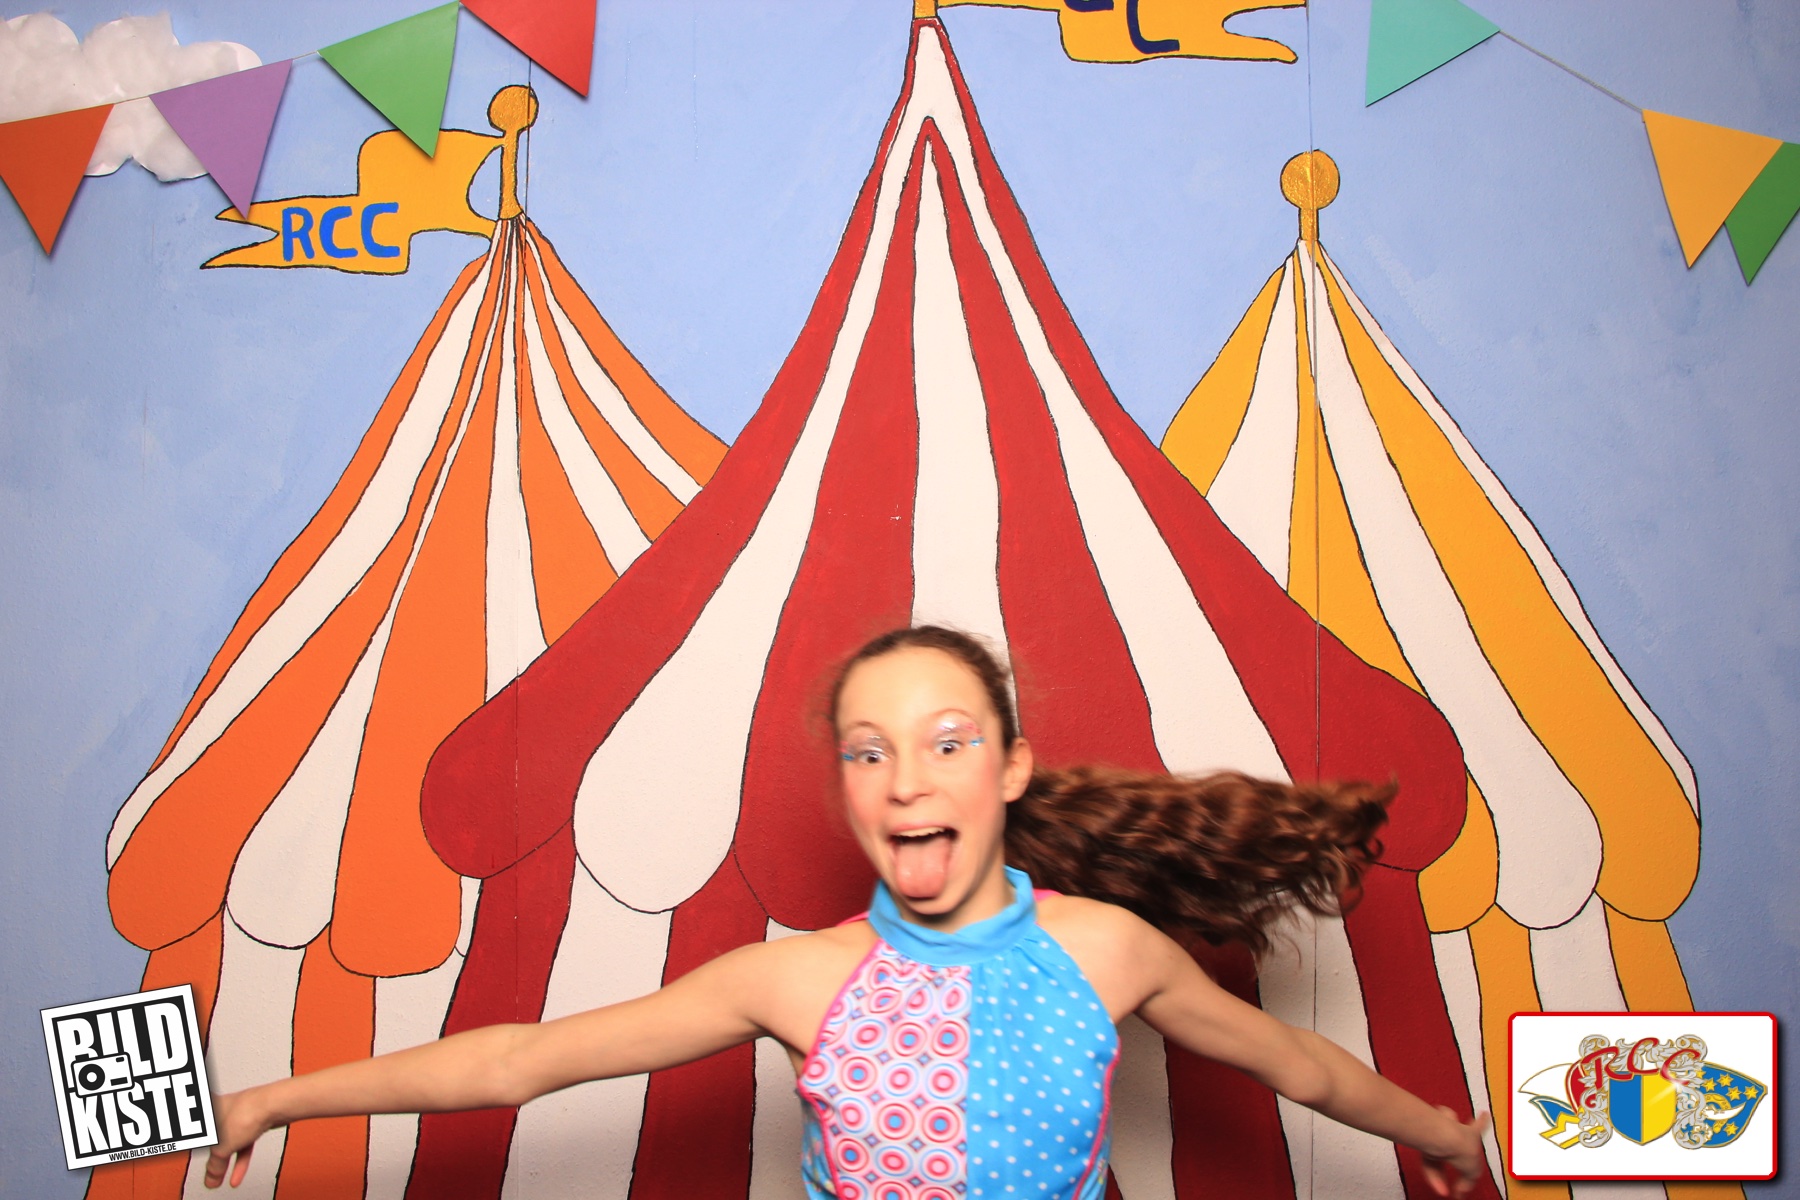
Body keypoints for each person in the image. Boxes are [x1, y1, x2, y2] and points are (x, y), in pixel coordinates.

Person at [204, 625, 1490, 1197]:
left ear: (1011, 769)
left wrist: (1440, 1134)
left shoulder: (1107, 951)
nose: (905, 778)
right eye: (868, 752)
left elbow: (1301, 1067)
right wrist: (274, 1098)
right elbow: (514, 1064)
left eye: (945, 742)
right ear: (846, 788)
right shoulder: (795, 979)